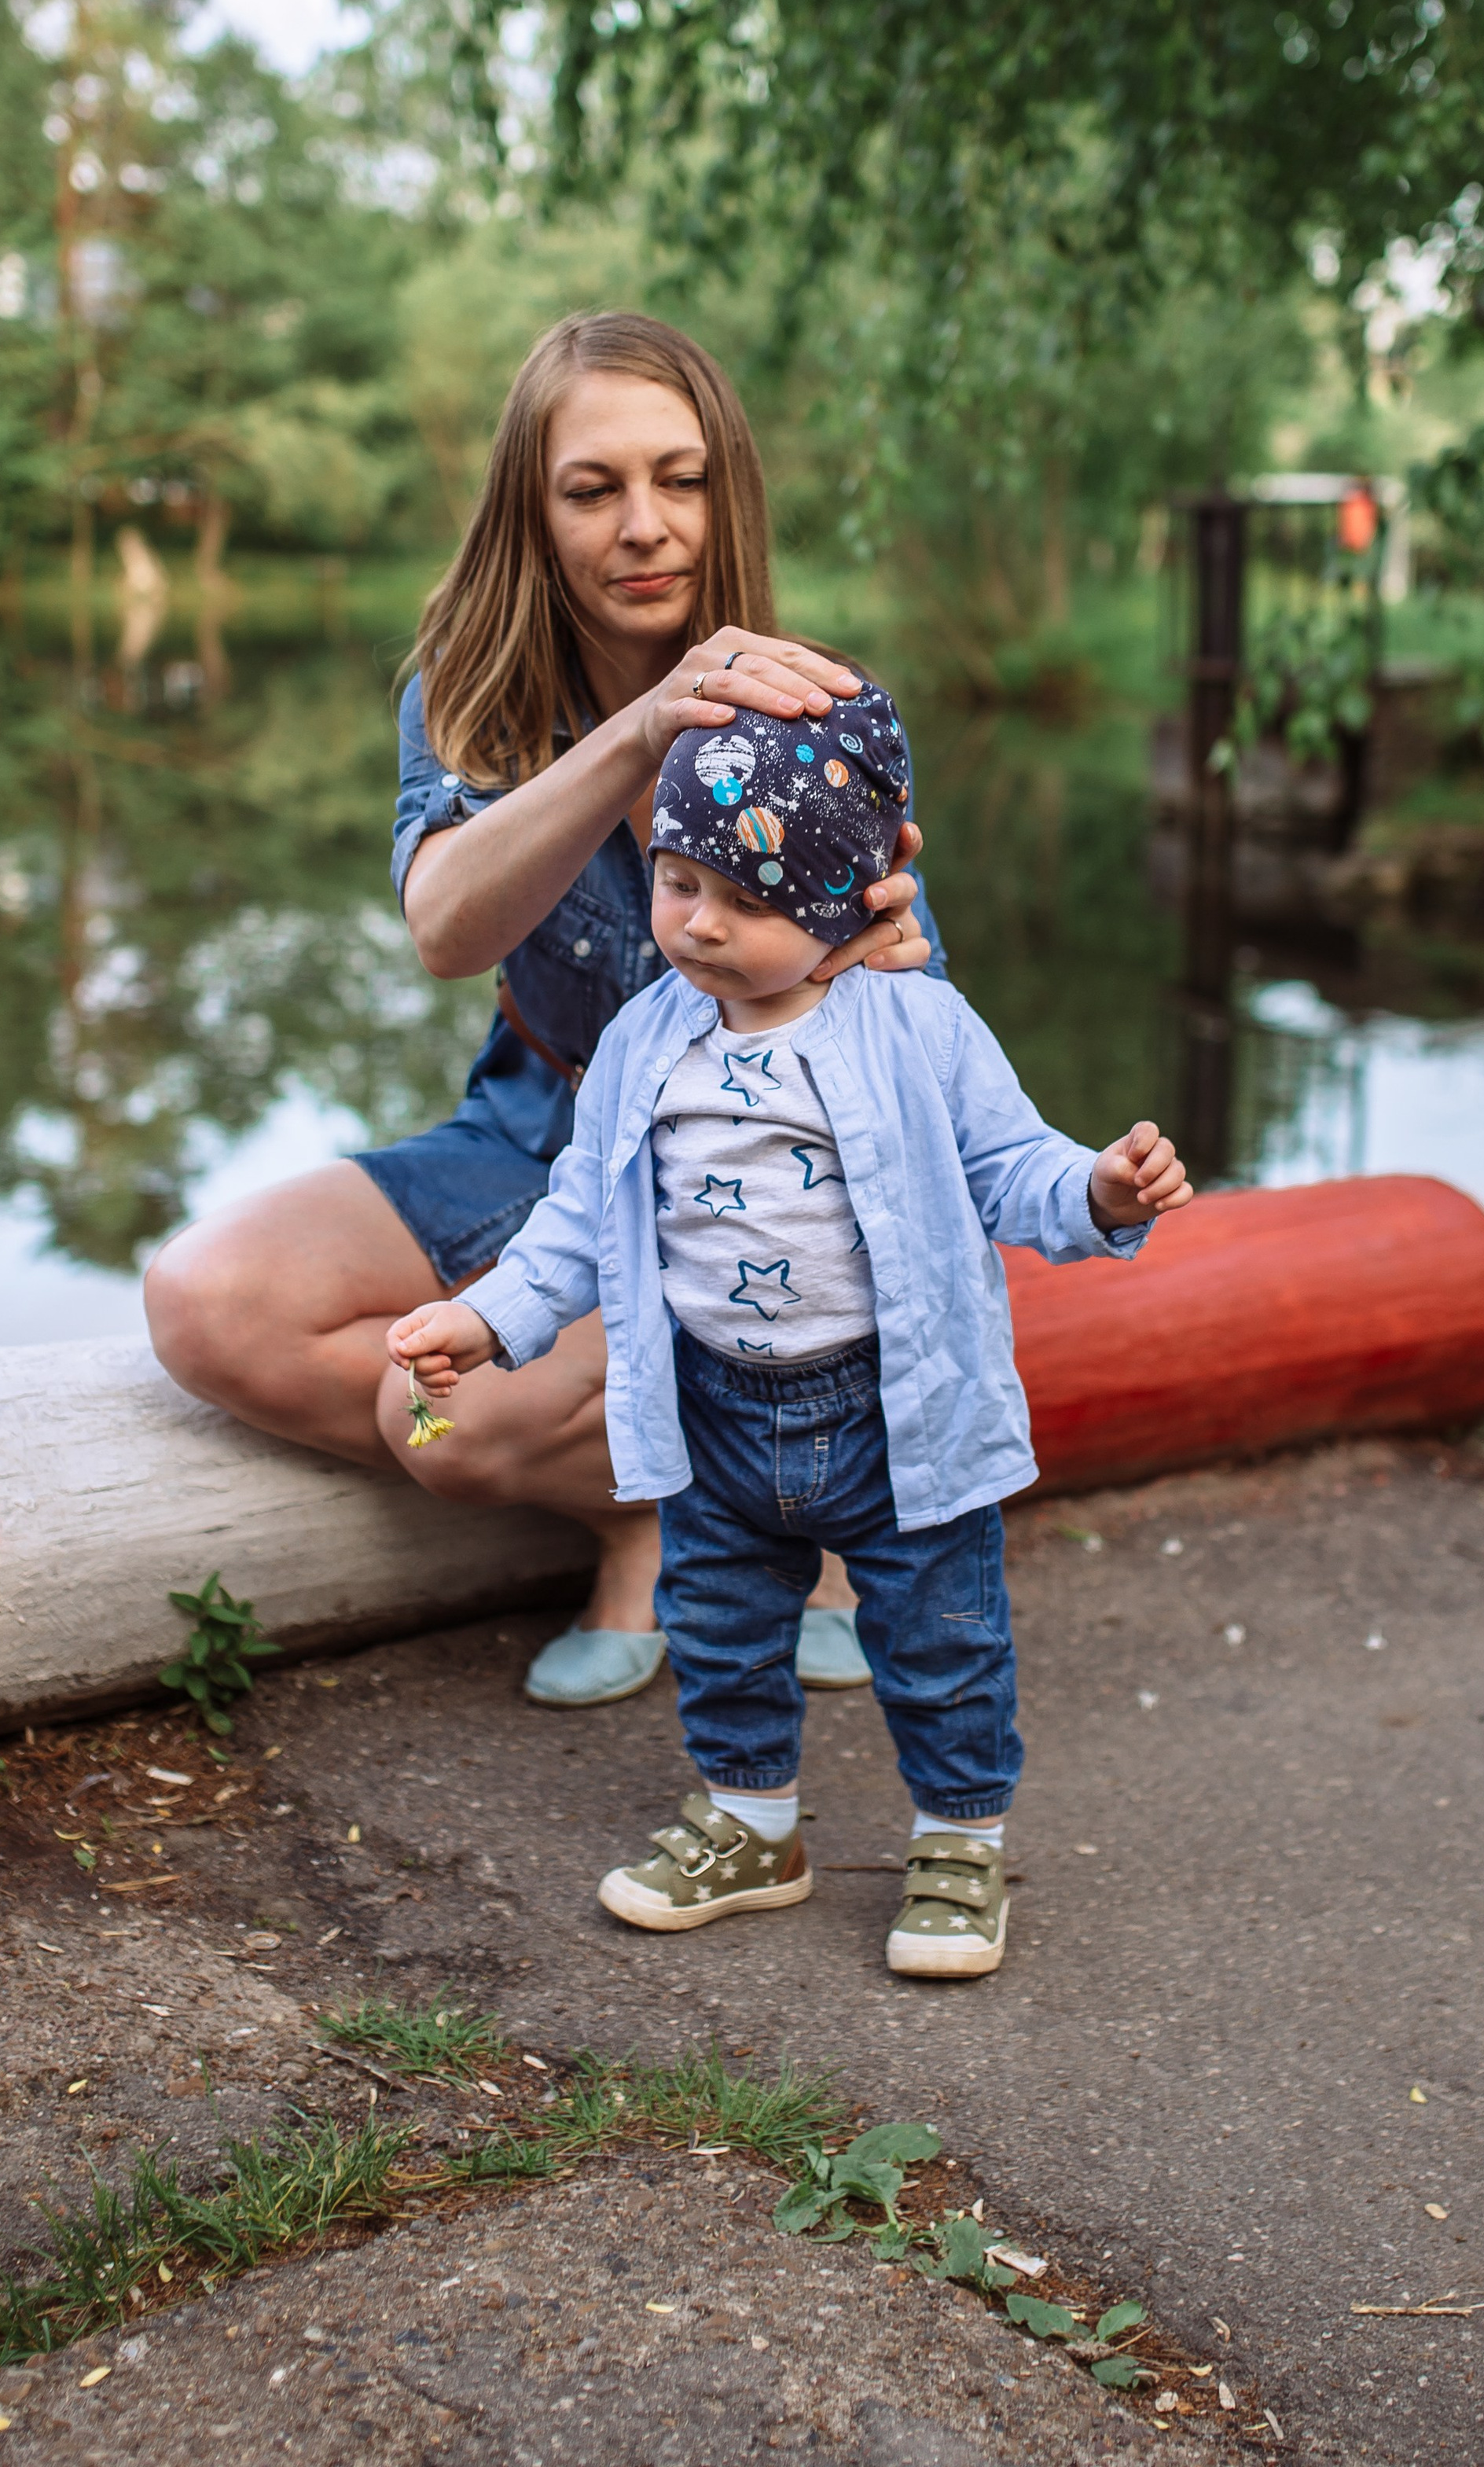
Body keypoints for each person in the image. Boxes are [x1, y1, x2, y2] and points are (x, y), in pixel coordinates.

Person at [143, 311, 941, 1708]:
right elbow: (449, 930)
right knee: (205, 1302)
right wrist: (639, 733)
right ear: (534, 507)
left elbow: (912, 1029)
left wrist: (895, 965)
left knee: (435, 1417)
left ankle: (801, 1516)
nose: (646, 526)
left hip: (752, 1179)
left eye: (680, 480)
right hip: (538, 1127)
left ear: (725, 492)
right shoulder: (467, 697)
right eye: (595, 489)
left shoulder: (820, 712)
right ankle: (645, 1504)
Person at [384, 675, 1193, 1979]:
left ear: (833, 908)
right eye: (682, 882)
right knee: (720, 1627)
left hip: (893, 1405)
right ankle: (755, 1827)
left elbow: (1010, 1165)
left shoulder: (915, 1024)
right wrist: (486, 1320)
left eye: (746, 904)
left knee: (940, 1637)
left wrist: (1098, 1189)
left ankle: (959, 1840)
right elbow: (579, 1218)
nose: (698, 925)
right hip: (711, 1402)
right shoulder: (647, 1037)